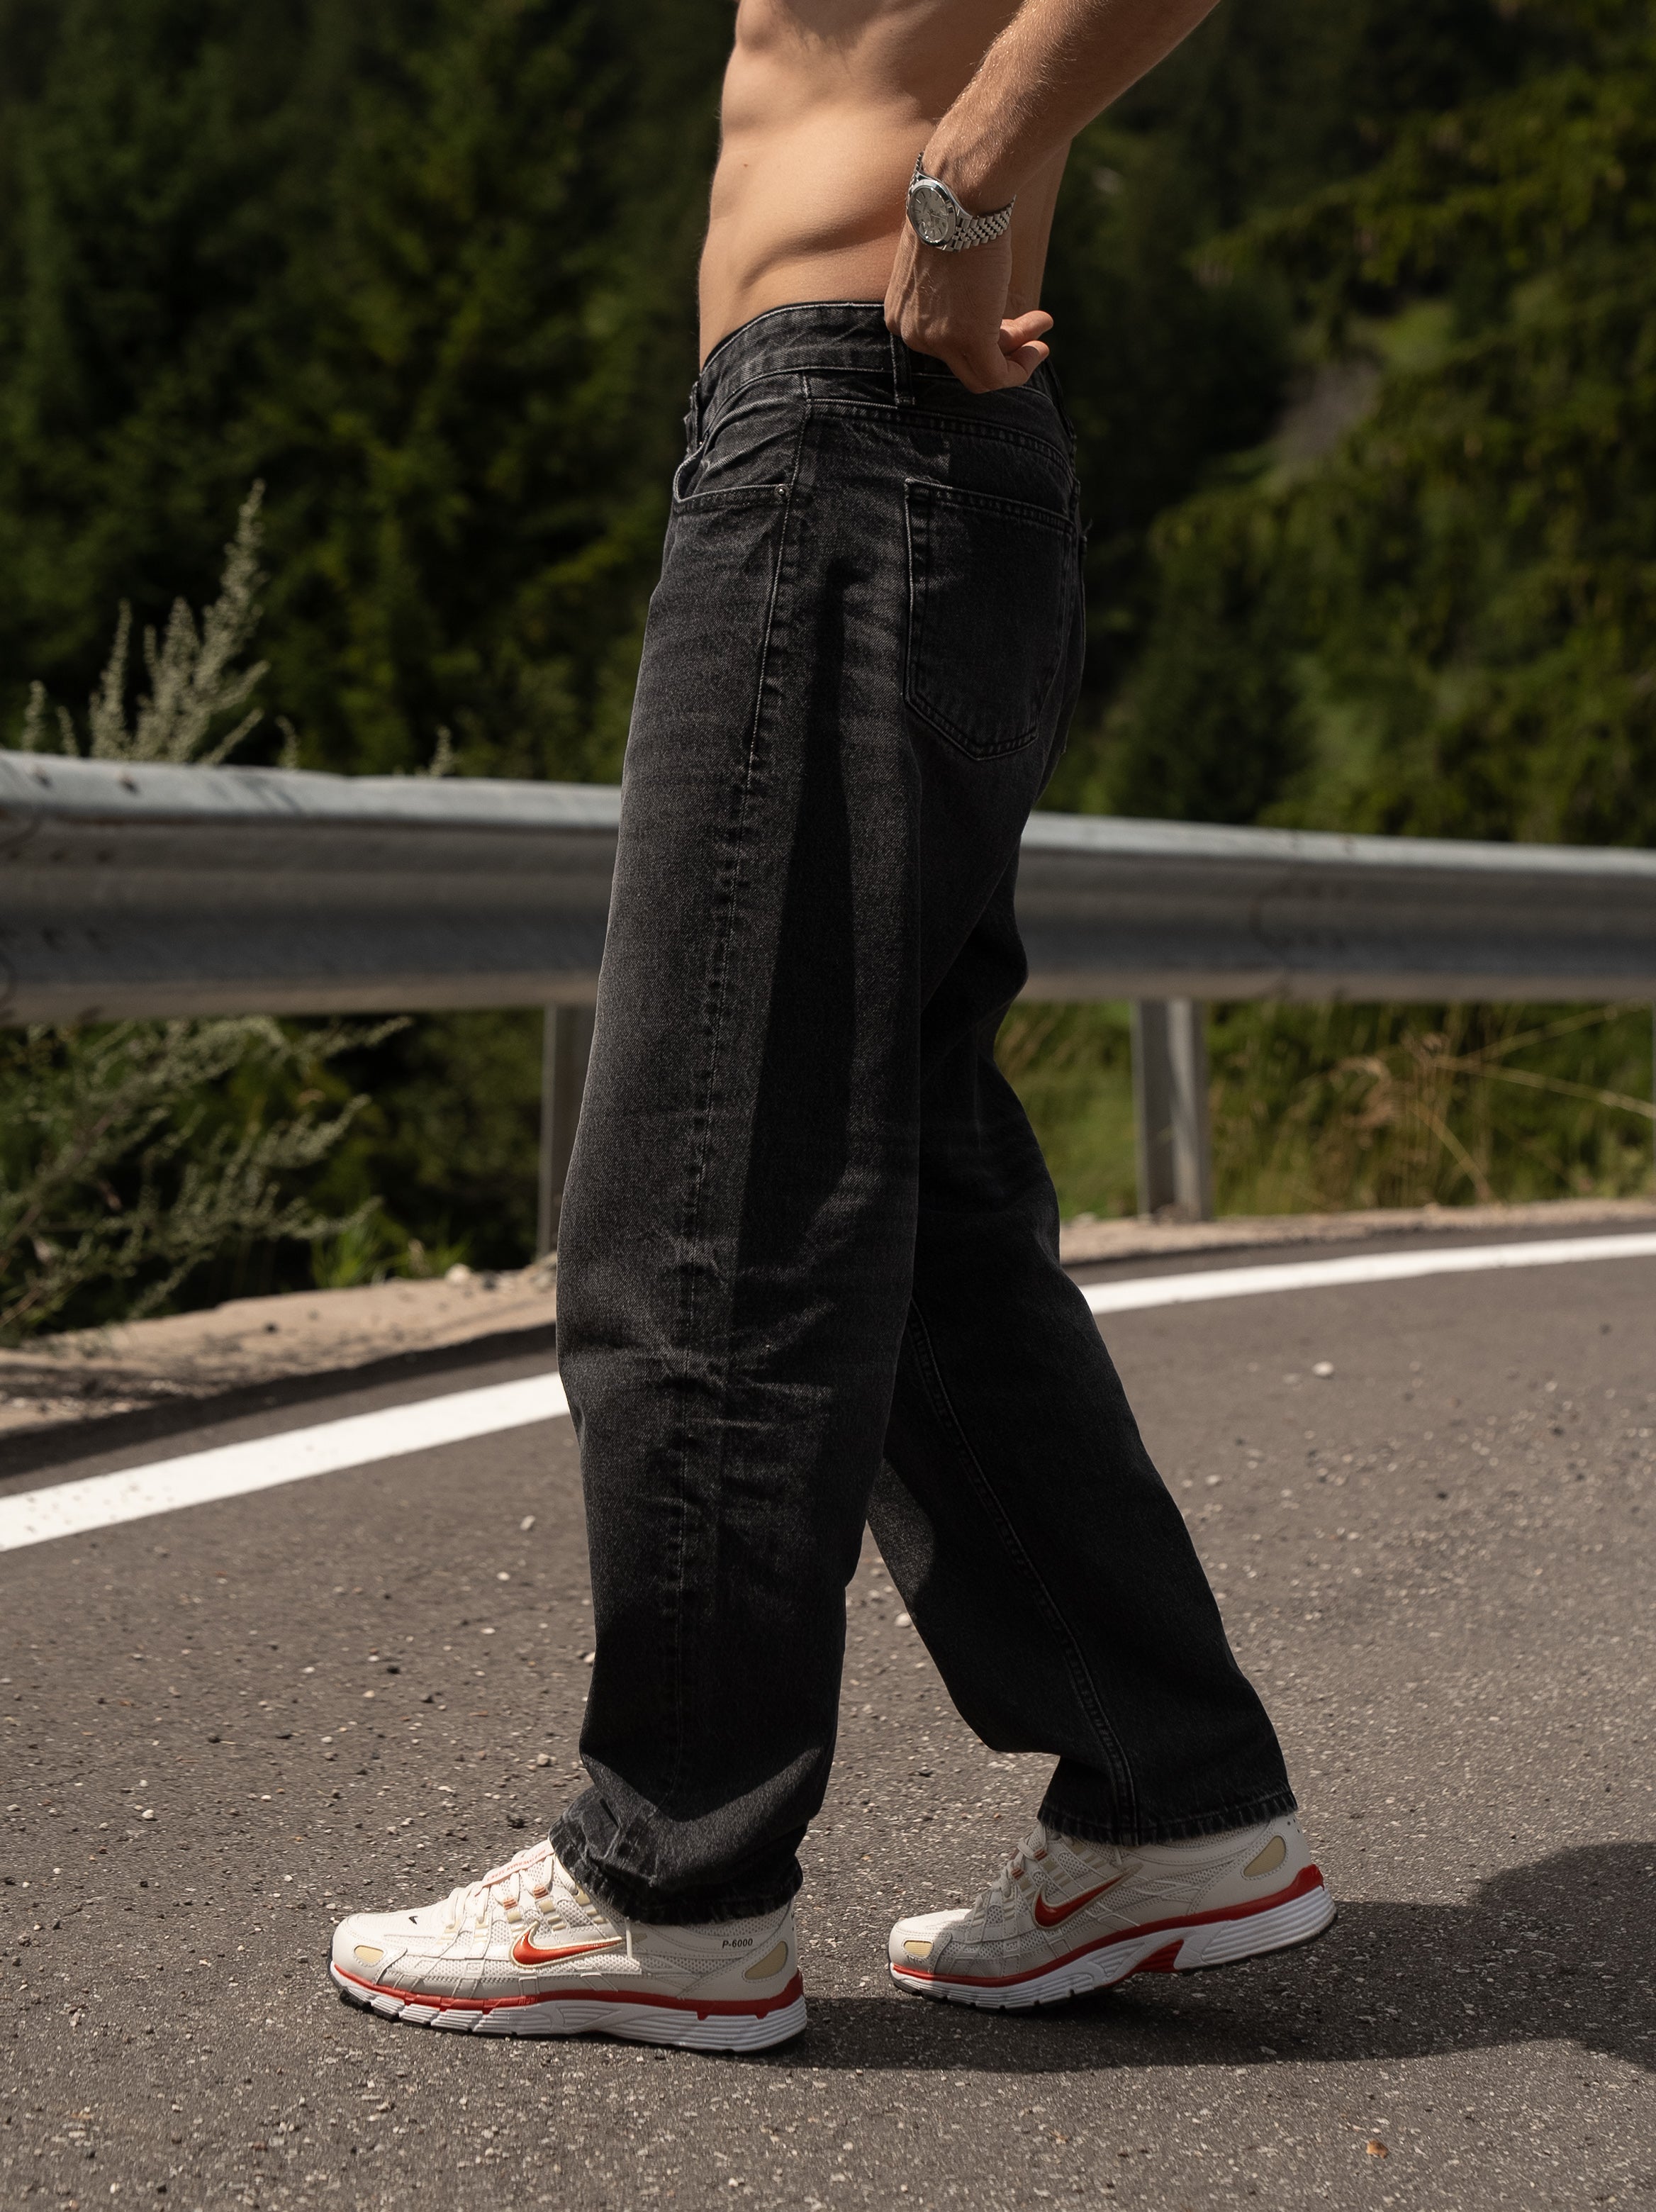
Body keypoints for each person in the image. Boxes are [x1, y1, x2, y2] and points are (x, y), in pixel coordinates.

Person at [330, 0, 1334, 2049]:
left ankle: (675, 1869)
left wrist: (961, 182)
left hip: (852, 425)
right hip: (884, 444)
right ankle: (1165, 1797)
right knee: (921, 1204)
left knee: (709, 1178)